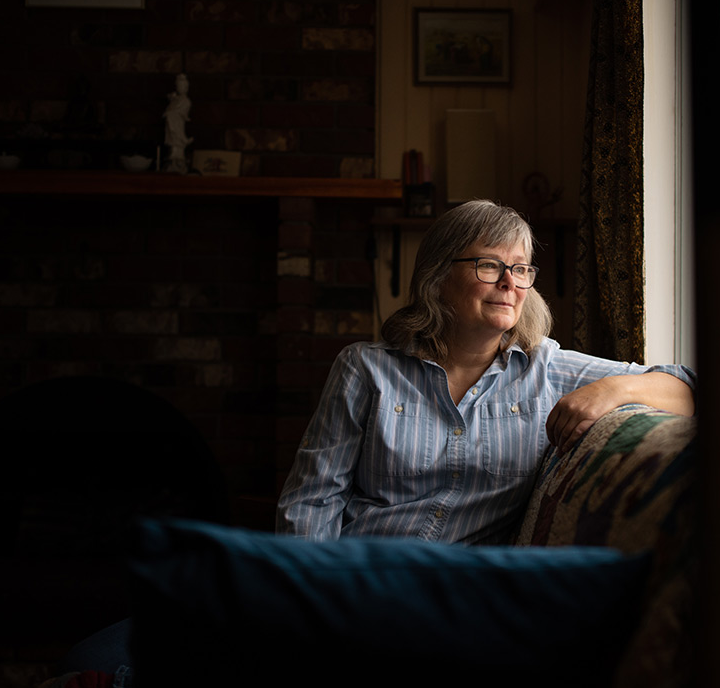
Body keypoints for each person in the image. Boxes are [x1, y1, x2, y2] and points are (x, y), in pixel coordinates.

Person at [277, 199, 695, 545]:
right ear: (439, 276)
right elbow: (312, 501)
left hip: (469, 592)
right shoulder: (365, 368)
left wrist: (612, 390)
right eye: (490, 265)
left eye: (521, 268)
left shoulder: (546, 369)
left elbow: (689, 387)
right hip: (361, 578)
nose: (510, 283)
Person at [162, 73, 193, 174]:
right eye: (178, 86)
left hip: (178, 124)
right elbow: (171, 108)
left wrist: (170, 114)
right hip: (173, 124)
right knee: (173, 144)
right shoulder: (175, 99)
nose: (180, 88)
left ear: (186, 88)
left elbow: (180, 113)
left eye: (182, 86)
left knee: (178, 139)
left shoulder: (186, 101)